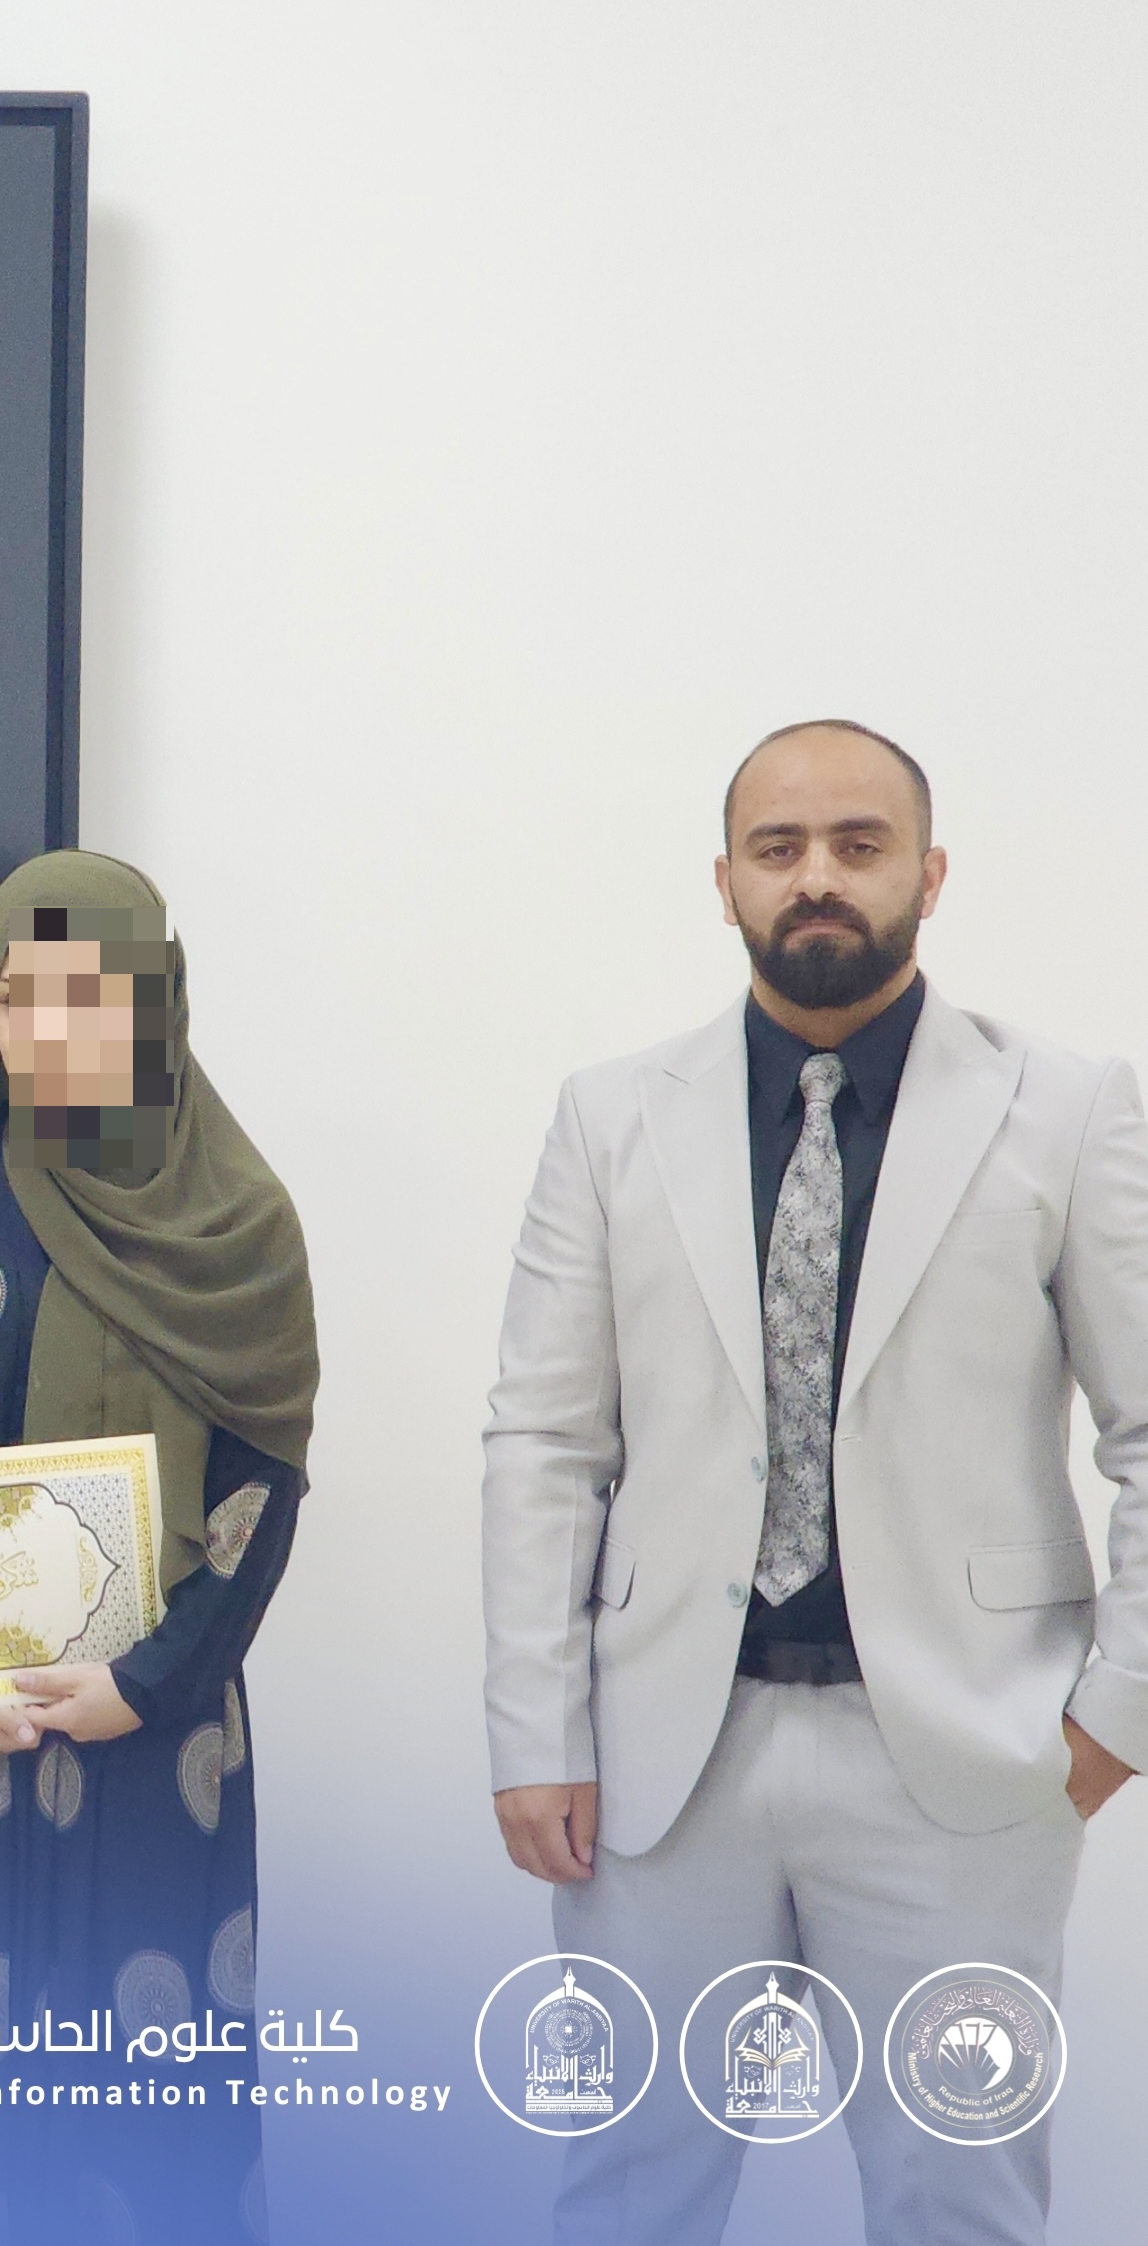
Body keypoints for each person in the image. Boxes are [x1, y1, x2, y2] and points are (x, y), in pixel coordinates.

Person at [484, 719, 1147, 2246]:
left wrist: (1118, 1715)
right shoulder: (611, 1115)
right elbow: (544, 1441)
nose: (818, 879)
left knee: (958, 2197)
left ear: (931, 872)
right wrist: (535, 1729)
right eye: (778, 850)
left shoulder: (1065, 1108)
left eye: (859, 844)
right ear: (724, 882)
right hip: (662, 1756)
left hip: (965, 1757)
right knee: (628, 2196)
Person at [0, 849, 317, 2243]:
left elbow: (265, 1489)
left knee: (143, 2112)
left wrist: (146, 1682)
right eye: (20, 996)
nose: (51, 1028)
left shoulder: (239, 1225)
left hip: (156, 1736)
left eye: (91, 993)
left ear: (157, 999)